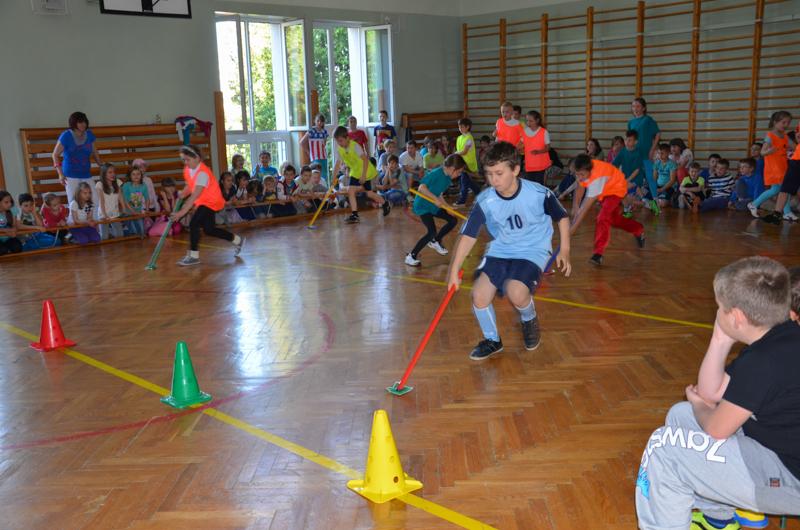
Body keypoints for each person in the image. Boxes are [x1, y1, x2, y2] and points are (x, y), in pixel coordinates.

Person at [635, 256, 800, 530]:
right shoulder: (782, 336)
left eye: (720, 308)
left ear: (736, 317)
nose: (717, 312)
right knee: (681, 416)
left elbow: (715, 428)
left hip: (789, 481)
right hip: (779, 454)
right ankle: (717, 520)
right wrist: (720, 337)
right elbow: (711, 393)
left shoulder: (763, 361)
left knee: (663, 449)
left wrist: (699, 405)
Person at [445, 142, 572, 360]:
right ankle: (492, 340)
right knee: (479, 295)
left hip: (533, 249)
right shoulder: (486, 200)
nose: (493, 180)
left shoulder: (538, 193)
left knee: (516, 293)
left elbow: (562, 217)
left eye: (499, 173)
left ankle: (529, 318)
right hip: (501, 249)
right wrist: (454, 269)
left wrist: (565, 250)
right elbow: (468, 236)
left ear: (515, 170)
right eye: (489, 174)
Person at [170, 145, 244, 266]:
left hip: (212, 201)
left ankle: (193, 256)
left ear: (197, 158)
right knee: (209, 230)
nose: (185, 162)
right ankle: (238, 240)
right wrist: (183, 193)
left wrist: (181, 213)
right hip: (203, 201)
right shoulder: (188, 169)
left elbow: (195, 195)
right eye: (183, 160)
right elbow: (190, 185)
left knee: (194, 223)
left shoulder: (203, 173)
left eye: (188, 159)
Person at [570, 154, 646, 266]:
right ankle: (638, 229)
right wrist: (575, 206)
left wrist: (572, 230)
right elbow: (580, 186)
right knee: (614, 220)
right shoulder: (583, 168)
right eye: (577, 174)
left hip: (616, 189)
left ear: (589, 171)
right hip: (605, 191)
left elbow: (585, 208)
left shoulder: (597, 178)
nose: (579, 177)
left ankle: (598, 254)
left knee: (602, 218)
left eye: (582, 174)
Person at [405, 155, 467, 267]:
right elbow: (421, 188)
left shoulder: (447, 178)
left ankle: (435, 241)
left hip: (433, 206)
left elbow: (439, 194)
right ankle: (411, 256)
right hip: (423, 206)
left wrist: (447, 207)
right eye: (459, 172)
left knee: (453, 220)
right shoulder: (436, 173)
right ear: (452, 168)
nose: (459, 175)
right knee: (431, 231)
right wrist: (435, 199)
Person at [331, 126, 391, 224]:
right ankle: (355, 215)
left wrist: (363, 176)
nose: (339, 143)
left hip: (366, 171)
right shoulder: (340, 150)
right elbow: (337, 164)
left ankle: (385, 203)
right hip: (355, 172)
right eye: (337, 141)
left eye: (341, 141)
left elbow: (365, 161)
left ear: (347, 138)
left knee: (369, 194)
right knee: (351, 190)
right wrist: (333, 178)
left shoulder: (355, 146)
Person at [749, 111, 795, 220]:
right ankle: (787, 212)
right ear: (775, 122)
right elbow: (762, 152)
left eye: (788, 123)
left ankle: (754, 204)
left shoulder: (785, 136)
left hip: (783, 166)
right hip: (774, 167)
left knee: (778, 190)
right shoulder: (770, 135)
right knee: (784, 188)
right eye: (784, 122)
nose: (786, 125)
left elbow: (794, 146)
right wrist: (769, 151)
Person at [52, 111, 102, 208]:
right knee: (74, 203)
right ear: (74, 123)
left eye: (84, 122)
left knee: (95, 200)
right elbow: (55, 154)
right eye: (80, 122)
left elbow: (94, 152)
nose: (83, 124)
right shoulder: (66, 136)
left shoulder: (89, 135)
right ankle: (75, 218)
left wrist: (101, 165)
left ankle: (95, 218)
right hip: (70, 174)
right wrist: (60, 174)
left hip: (86, 173)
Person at [628, 97, 661, 212]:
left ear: (643, 108)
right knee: (634, 178)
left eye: (638, 106)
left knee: (650, 177)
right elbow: (630, 139)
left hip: (646, 154)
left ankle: (656, 201)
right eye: (633, 106)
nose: (635, 109)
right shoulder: (631, 122)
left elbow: (657, 134)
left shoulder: (648, 120)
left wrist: (652, 149)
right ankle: (642, 201)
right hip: (635, 155)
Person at [764, 129, 800, 225]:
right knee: (784, 189)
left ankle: (780, 213)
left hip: (794, 162)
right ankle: (777, 214)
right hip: (795, 161)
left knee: (785, 189)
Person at [613, 130, 645, 213]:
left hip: (636, 180)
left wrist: (627, 180)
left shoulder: (638, 153)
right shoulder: (623, 151)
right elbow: (614, 165)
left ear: (635, 142)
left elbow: (637, 170)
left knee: (620, 194)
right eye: (626, 139)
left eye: (630, 140)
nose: (627, 142)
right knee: (622, 197)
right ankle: (644, 203)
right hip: (626, 180)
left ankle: (643, 204)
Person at [454, 118, 482, 205]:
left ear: (467, 127)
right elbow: (459, 151)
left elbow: (464, 151)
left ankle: (462, 201)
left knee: (464, 182)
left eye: (462, 127)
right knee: (467, 182)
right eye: (459, 127)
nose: (460, 128)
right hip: (462, 163)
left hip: (468, 164)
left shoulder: (469, 138)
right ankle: (479, 193)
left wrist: (455, 153)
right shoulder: (459, 138)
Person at [522, 110, 551, 184]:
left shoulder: (544, 132)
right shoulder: (524, 131)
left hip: (540, 165)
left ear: (537, 120)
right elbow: (521, 144)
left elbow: (548, 147)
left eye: (531, 121)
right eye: (527, 121)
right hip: (529, 164)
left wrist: (538, 151)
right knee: (530, 185)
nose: (528, 123)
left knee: (539, 185)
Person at [96, 163, 124, 240]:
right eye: (110, 172)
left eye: (114, 172)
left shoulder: (117, 182)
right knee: (104, 238)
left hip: (114, 213)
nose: (113, 174)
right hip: (103, 214)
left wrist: (124, 208)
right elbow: (101, 201)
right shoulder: (100, 184)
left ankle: (110, 231)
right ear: (104, 174)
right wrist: (105, 215)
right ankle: (99, 231)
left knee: (120, 235)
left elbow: (120, 197)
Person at [300, 114, 330, 185]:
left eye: (321, 121)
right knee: (316, 174)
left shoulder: (324, 132)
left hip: (324, 157)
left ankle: (324, 189)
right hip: (315, 157)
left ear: (323, 123)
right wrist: (308, 152)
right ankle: (314, 189)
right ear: (315, 121)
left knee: (324, 175)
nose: (319, 123)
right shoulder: (311, 131)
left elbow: (324, 144)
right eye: (318, 121)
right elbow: (301, 142)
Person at [121, 165, 150, 236]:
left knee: (142, 232)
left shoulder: (143, 185)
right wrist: (133, 211)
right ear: (130, 176)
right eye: (133, 174)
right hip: (127, 212)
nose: (136, 176)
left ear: (141, 175)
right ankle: (124, 228)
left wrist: (147, 209)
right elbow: (125, 201)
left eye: (138, 174)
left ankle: (128, 228)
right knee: (134, 232)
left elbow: (147, 198)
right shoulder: (126, 185)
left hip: (138, 211)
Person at [652, 143, 677, 209]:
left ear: (668, 153)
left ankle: (670, 199)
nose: (660, 155)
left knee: (662, 204)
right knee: (647, 197)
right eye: (659, 153)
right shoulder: (657, 163)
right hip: (658, 187)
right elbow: (654, 178)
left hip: (668, 187)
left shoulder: (672, 164)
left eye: (662, 153)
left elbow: (672, 180)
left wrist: (662, 189)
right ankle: (659, 199)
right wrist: (654, 188)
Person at [0, 191, 23, 255]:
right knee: (2, 251)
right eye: (6, 202)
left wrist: (14, 230)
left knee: (17, 248)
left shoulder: (13, 209)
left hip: (8, 237)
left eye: (10, 201)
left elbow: (14, 225)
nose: (10, 204)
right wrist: (6, 231)